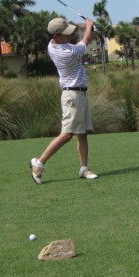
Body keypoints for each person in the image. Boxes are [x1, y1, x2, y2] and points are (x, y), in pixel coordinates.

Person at [29, 17, 98, 184]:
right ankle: (39, 163)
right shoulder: (68, 52)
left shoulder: (52, 46)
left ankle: (84, 168)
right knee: (67, 134)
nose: (69, 36)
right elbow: (86, 40)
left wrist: (91, 29)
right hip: (72, 96)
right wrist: (89, 25)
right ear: (56, 36)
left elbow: (86, 38)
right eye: (66, 34)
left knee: (82, 134)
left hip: (79, 94)